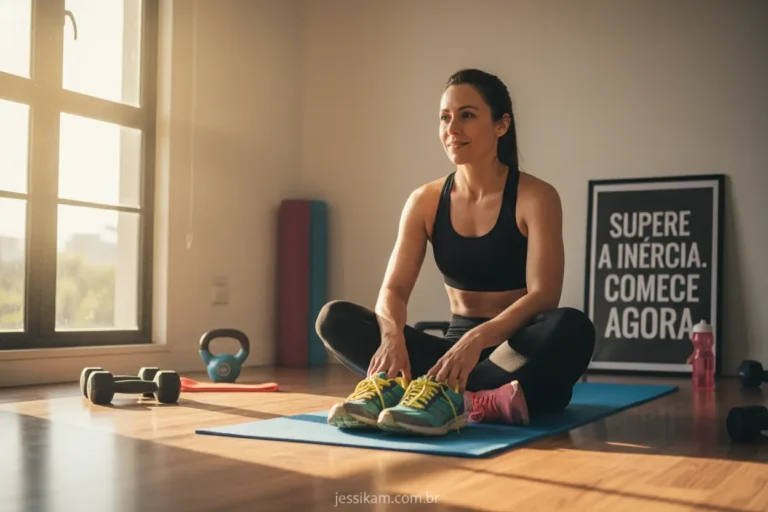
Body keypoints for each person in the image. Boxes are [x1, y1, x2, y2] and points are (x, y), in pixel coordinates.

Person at [315, 68, 596, 436]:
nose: (452, 128)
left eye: (467, 115)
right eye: (445, 117)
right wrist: (391, 338)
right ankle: (471, 398)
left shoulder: (535, 196)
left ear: (501, 125)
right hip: (447, 357)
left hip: (512, 353)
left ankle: (442, 395)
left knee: (570, 326)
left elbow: (544, 295)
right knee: (333, 318)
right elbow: (393, 291)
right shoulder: (425, 201)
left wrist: (476, 340)